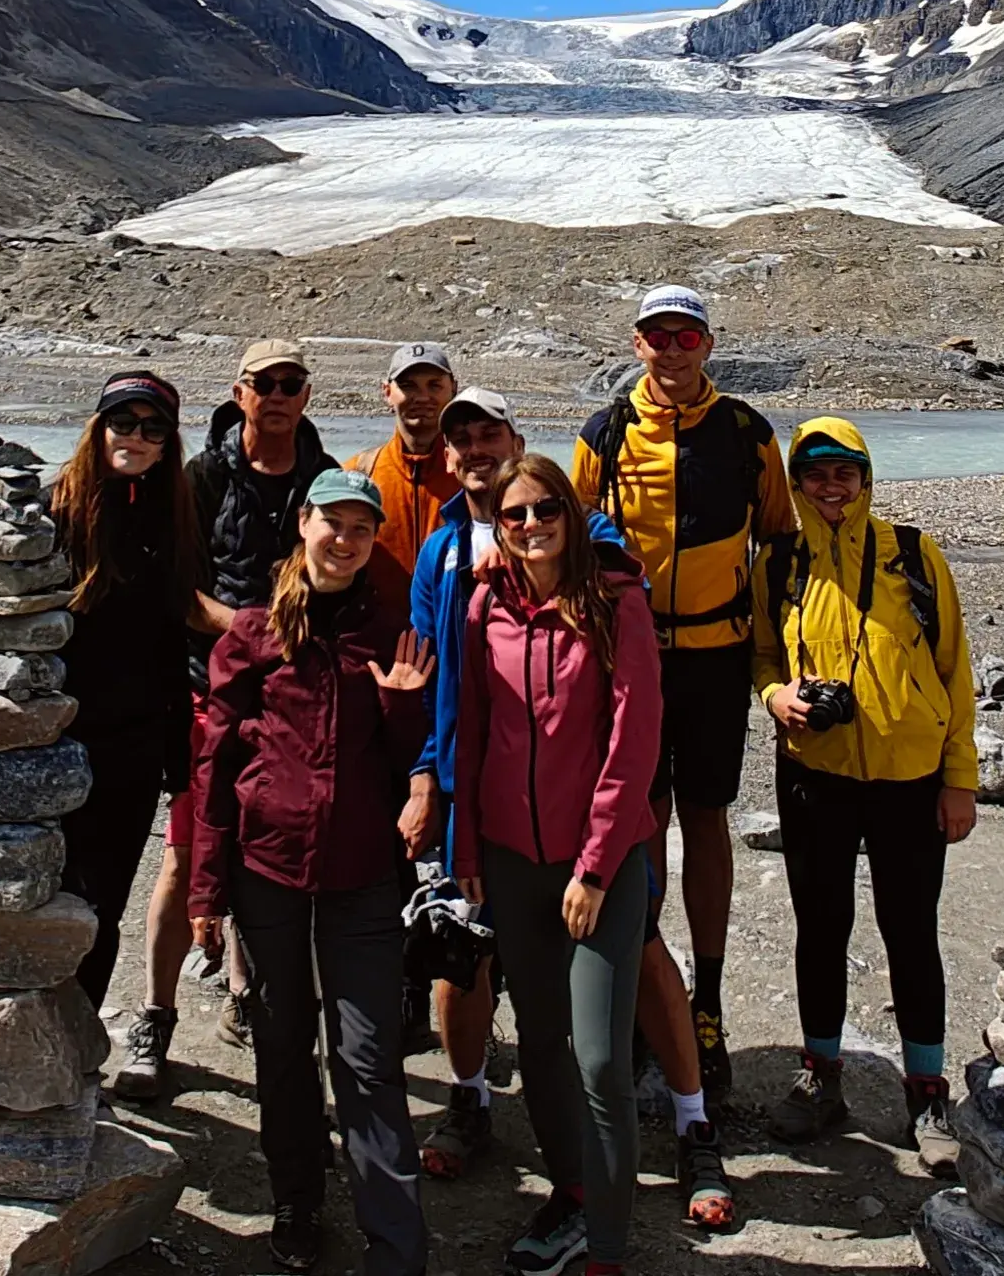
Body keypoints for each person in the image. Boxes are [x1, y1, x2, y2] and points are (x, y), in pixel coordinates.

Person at [565, 283, 790, 1229]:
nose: (672, 347)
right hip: (632, 657)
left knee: (706, 816)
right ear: (638, 343)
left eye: (686, 334)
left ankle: (707, 997)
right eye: (658, 334)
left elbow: (779, 542)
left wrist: (783, 661)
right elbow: (569, 537)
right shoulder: (606, 430)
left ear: (707, 342)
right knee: (640, 819)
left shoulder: (745, 432)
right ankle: (643, 986)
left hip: (715, 656)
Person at [191, 471, 437, 1276]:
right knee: (283, 1044)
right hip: (267, 869)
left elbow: (412, 762)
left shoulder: (391, 632)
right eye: (334, 522)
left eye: (362, 529)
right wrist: (205, 887)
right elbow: (214, 765)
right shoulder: (254, 633)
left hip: (362, 874)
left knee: (366, 1058)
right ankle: (297, 1201)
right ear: (304, 523)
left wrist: (402, 705)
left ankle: (395, 1244)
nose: (346, 540)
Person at [448, 452, 662, 1276]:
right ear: (498, 526)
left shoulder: (616, 602)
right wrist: (467, 849)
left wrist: (596, 868)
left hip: (599, 867)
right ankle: (572, 1195)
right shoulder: (483, 607)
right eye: (515, 515)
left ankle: (606, 1248)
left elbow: (633, 742)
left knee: (601, 1061)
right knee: (539, 1040)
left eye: (545, 510)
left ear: (571, 515)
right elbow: (470, 730)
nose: (532, 525)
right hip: (510, 860)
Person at [752, 417, 976, 1164]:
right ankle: (821, 1074)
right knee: (820, 928)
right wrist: (777, 696)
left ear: (866, 478)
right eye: (815, 474)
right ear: (796, 484)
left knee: (910, 931)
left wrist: (960, 780)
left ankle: (926, 1092)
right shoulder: (779, 563)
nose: (831, 486)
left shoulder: (913, 555)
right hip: (814, 775)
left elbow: (954, 670)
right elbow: (761, 656)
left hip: (910, 780)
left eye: (844, 472)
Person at [157, 338, 342, 1065]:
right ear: (240, 394)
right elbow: (181, 582)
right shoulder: (204, 475)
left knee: (270, 841)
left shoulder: (324, 476)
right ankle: (157, 1014)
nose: (278, 396)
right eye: (265, 384)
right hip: (209, 683)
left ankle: (248, 989)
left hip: (293, 693)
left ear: (306, 395)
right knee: (190, 846)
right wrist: (245, 628)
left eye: (291, 384)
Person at [48, 370, 204, 1014]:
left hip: (134, 744)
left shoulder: (170, 517)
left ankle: (79, 1039)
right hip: (55, 737)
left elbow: (172, 642)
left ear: (167, 444)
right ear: (99, 428)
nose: (135, 437)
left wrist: (178, 755)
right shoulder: (54, 511)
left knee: (104, 902)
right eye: (122, 422)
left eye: (152, 428)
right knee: (46, 895)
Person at [356, 342, 465, 535]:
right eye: (408, 386)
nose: (422, 397)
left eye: (434, 385)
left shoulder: (473, 475)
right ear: (387, 392)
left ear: (453, 389)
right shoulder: (358, 476)